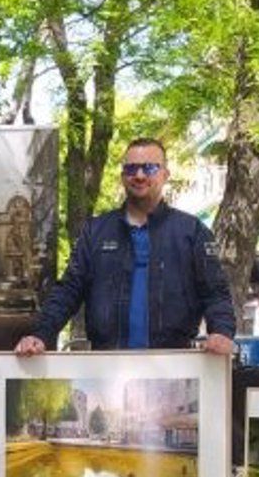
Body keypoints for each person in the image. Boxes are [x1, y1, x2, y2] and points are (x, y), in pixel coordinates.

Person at [15, 138, 236, 357]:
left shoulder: (192, 231)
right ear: (122, 177)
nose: (139, 175)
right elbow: (68, 291)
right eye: (131, 168)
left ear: (165, 175)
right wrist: (41, 335)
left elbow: (216, 293)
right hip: (107, 367)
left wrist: (222, 332)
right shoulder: (95, 231)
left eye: (149, 168)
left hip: (173, 364)